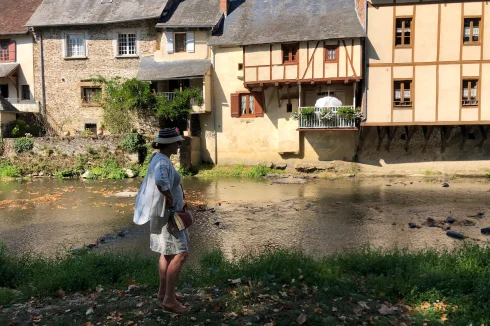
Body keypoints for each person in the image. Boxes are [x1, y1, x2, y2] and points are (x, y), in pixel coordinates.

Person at [133, 128, 189, 315]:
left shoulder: (158, 159)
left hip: (162, 213)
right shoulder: (162, 162)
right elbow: (160, 180)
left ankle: (163, 293)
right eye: (177, 142)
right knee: (181, 254)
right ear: (169, 144)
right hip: (168, 215)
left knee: (166, 253)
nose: (179, 145)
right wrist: (171, 198)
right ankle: (169, 300)